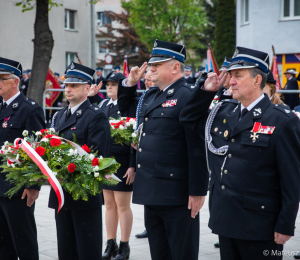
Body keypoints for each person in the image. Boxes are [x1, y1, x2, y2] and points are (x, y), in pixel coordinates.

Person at [121, 39, 219, 260]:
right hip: (151, 191)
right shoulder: (152, 94)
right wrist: (129, 84)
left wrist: (197, 191)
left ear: (176, 67)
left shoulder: (189, 96)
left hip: (178, 195)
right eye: (151, 64)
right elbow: (129, 111)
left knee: (181, 254)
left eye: (158, 64)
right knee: (160, 253)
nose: (151, 68)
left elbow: (197, 148)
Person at [205, 47, 300, 260]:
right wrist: (206, 92)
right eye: (230, 75)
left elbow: (292, 180)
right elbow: (188, 118)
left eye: (237, 76)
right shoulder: (225, 111)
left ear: (257, 80)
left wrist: (285, 225)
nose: (230, 81)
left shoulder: (282, 120)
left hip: (259, 224)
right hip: (226, 218)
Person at [48, 62, 110, 260]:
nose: (68, 89)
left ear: (87, 88)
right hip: (62, 193)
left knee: (87, 250)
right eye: (67, 84)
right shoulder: (59, 116)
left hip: (83, 194)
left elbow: (97, 156)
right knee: (66, 251)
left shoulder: (95, 116)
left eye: (74, 85)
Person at [0, 57, 45, 260]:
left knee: (24, 242)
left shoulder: (29, 109)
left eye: (2, 79)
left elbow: (37, 151)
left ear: (15, 81)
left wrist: (34, 185)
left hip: (18, 189)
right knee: (3, 244)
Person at [96, 73, 136, 260]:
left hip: (122, 161)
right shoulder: (104, 105)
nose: (109, 87)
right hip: (107, 162)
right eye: (108, 84)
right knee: (109, 205)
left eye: (114, 84)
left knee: (122, 206)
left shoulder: (129, 105)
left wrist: (132, 165)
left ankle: (124, 246)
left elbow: (134, 138)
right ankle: (110, 243)